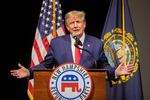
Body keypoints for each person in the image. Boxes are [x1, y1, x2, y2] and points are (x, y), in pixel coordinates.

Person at [10, 10, 134, 80]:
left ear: (84, 24)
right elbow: (46, 65)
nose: (75, 25)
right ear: (67, 27)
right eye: (71, 23)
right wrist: (30, 72)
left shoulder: (96, 43)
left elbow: (104, 66)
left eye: (78, 22)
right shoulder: (57, 43)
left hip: (90, 91)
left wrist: (115, 72)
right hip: (63, 90)